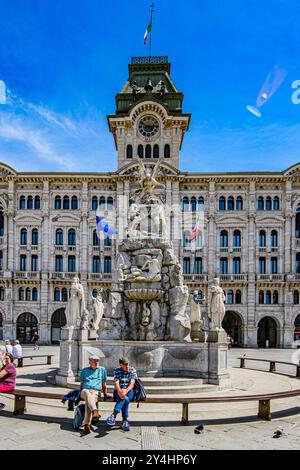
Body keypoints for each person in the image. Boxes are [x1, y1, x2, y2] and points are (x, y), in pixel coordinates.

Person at [106, 357, 137, 432]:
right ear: (121, 365)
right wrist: (120, 391)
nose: (127, 366)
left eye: (128, 364)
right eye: (125, 364)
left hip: (129, 391)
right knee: (125, 399)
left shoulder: (132, 370)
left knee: (124, 397)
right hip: (119, 390)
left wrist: (125, 391)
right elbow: (116, 384)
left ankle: (114, 414)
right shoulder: (117, 370)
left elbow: (132, 384)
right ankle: (125, 420)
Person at [79, 355, 109, 435]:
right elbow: (81, 384)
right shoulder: (84, 370)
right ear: (89, 362)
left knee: (89, 399)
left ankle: (86, 424)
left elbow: (104, 383)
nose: (96, 362)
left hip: (96, 392)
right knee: (87, 393)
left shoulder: (102, 370)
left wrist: (105, 394)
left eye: (97, 360)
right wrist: (80, 392)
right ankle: (95, 411)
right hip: (85, 391)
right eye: (94, 361)